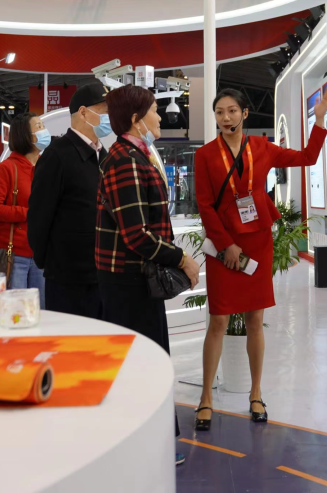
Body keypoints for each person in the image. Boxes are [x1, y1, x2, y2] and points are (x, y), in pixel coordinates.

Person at [192, 87, 327, 430]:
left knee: (255, 320)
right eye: (220, 112)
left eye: (232, 111)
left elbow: (308, 157)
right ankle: (206, 397)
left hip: (257, 242)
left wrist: (319, 119)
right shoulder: (205, 155)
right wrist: (226, 245)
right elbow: (205, 205)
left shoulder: (262, 147)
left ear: (245, 113)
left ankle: (256, 393)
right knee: (218, 322)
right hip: (223, 245)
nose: (226, 117)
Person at [96, 85, 200, 466]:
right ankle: (145, 448)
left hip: (135, 279)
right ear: (136, 119)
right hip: (128, 282)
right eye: (155, 111)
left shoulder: (134, 155)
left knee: (148, 360)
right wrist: (182, 258)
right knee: (143, 364)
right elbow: (136, 234)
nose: (161, 117)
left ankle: (149, 443)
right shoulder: (125, 161)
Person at [27, 82, 111, 319]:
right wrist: (49, 261)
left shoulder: (104, 156)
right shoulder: (57, 155)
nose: (110, 117)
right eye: (105, 111)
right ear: (83, 112)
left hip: (103, 273)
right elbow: (39, 215)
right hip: (68, 276)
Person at [0, 113, 50, 297]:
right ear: (25, 135)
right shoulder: (7, 167)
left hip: (40, 253)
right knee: (15, 308)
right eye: (39, 126)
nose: (44, 131)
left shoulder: (45, 166)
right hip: (13, 255)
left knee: (40, 309)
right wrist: (29, 213)